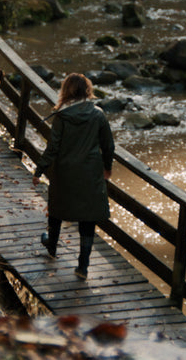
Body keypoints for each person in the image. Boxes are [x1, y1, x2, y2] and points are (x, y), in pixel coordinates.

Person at [33, 73, 115, 280]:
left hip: (65, 171)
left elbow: (53, 147)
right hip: (90, 172)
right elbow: (108, 145)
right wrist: (107, 167)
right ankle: (83, 267)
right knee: (87, 217)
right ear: (87, 91)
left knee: (58, 208)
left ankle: (51, 247)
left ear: (66, 91)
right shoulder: (98, 114)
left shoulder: (61, 115)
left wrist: (39, 169)